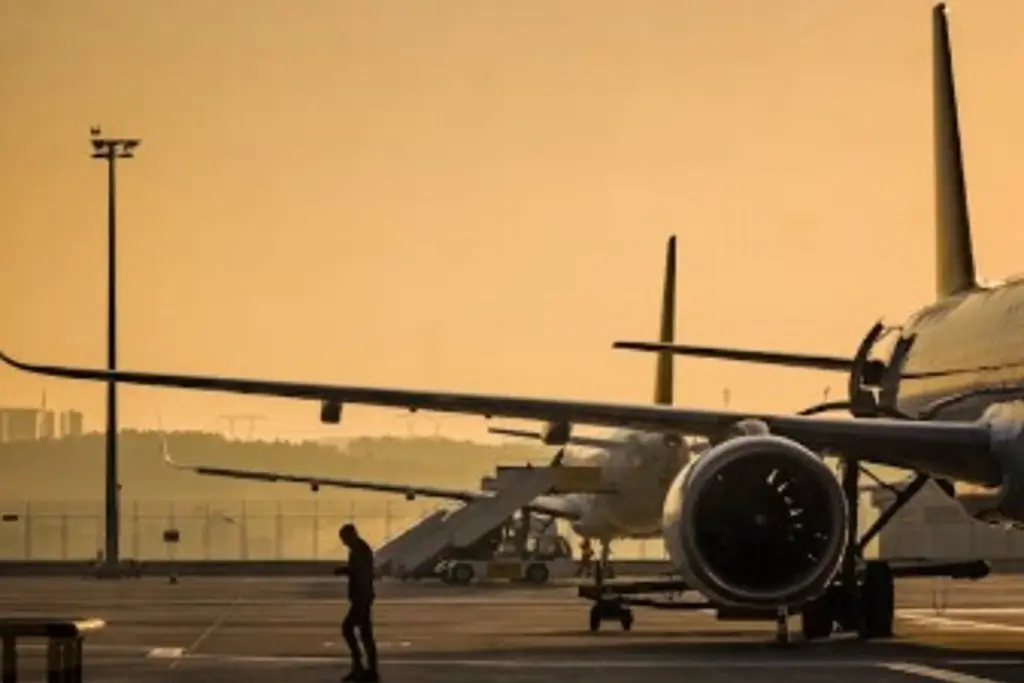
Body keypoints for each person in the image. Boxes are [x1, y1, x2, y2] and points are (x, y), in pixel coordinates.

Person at [334, 523, 379, 682]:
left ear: (351, 535)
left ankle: (363, 668)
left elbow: (360, 572)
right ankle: (364, 668)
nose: (343, 542)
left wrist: (344, 570)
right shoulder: (359, 548)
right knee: (364, 633)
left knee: (351, 629)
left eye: (344, 538)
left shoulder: (360, 550)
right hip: (362, 597)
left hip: (361, 598)